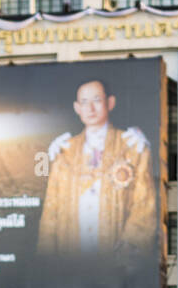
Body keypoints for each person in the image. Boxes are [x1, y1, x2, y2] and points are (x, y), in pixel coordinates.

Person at [36, 79, 157, 258]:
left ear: (110, 103)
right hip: (71, 259)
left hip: (114, 262)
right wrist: (47, 259)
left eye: (97, 100)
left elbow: (145, 206)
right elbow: (51, 211)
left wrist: (127, 252)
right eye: (84, 102)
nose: (90, 109)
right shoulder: (64, 150)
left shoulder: (132, 145)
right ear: (77, 108)